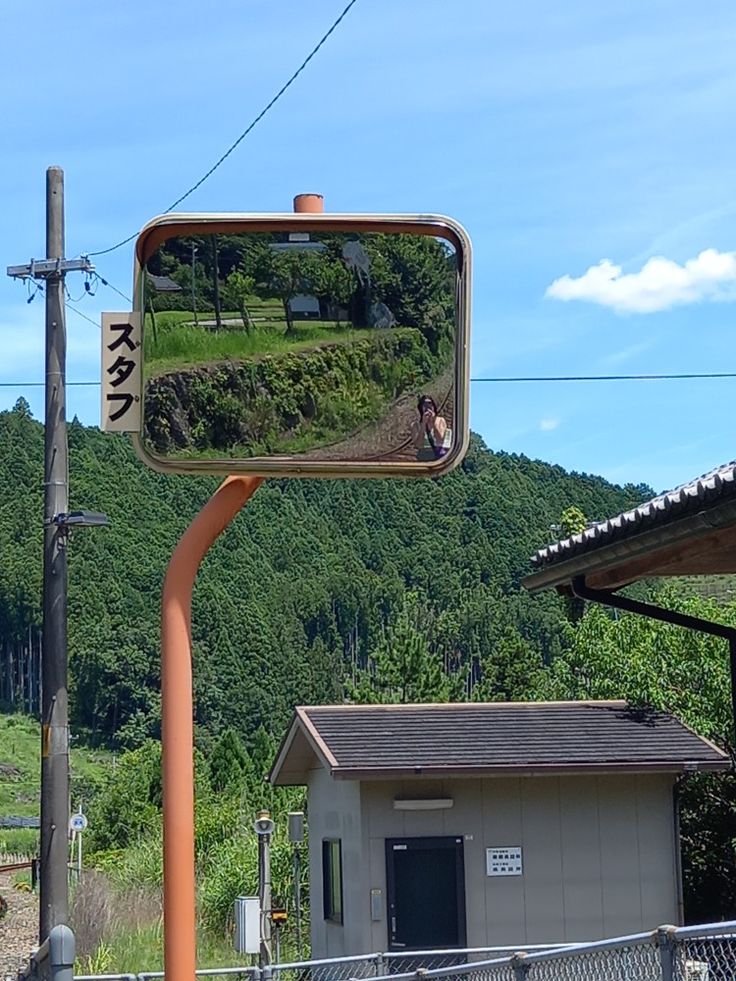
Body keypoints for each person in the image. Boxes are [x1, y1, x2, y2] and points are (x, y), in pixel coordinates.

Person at [412, 395, 451, 461]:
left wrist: (433, 422)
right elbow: (418, 445)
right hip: (424, 456)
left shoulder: (441, 421)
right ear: (421, 407)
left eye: (429, 403)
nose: (427, 406)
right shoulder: (416, 425)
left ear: (433, 406)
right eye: (424, 404)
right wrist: (423, 424)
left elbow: (440, 440)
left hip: (439, 456)